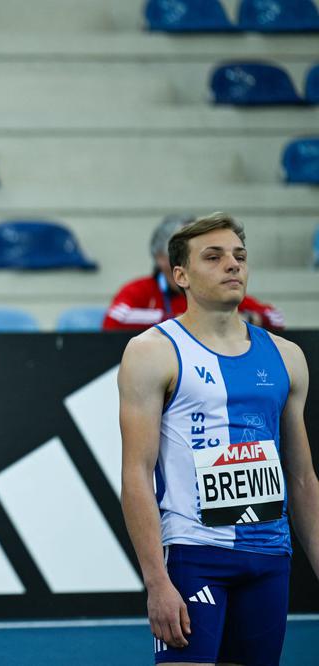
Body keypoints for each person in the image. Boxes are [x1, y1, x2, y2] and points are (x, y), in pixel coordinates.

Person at [118, 213, 319, 665]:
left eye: (240, 256)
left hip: (270, 557)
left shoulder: (287, 357)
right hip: (195, 554)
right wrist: (156, 583)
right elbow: (136, 473)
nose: (233, 265)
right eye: (214, 256)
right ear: (181, 275)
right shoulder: (153, 352)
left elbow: (303, 478)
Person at [103, 214, 284, 331]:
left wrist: (249, 319)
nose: (232, 264)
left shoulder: (218, 290)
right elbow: (115, 319)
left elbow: (277, 319)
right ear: (160, 257)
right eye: (213, 257)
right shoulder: (141, 289)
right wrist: (186, 321)